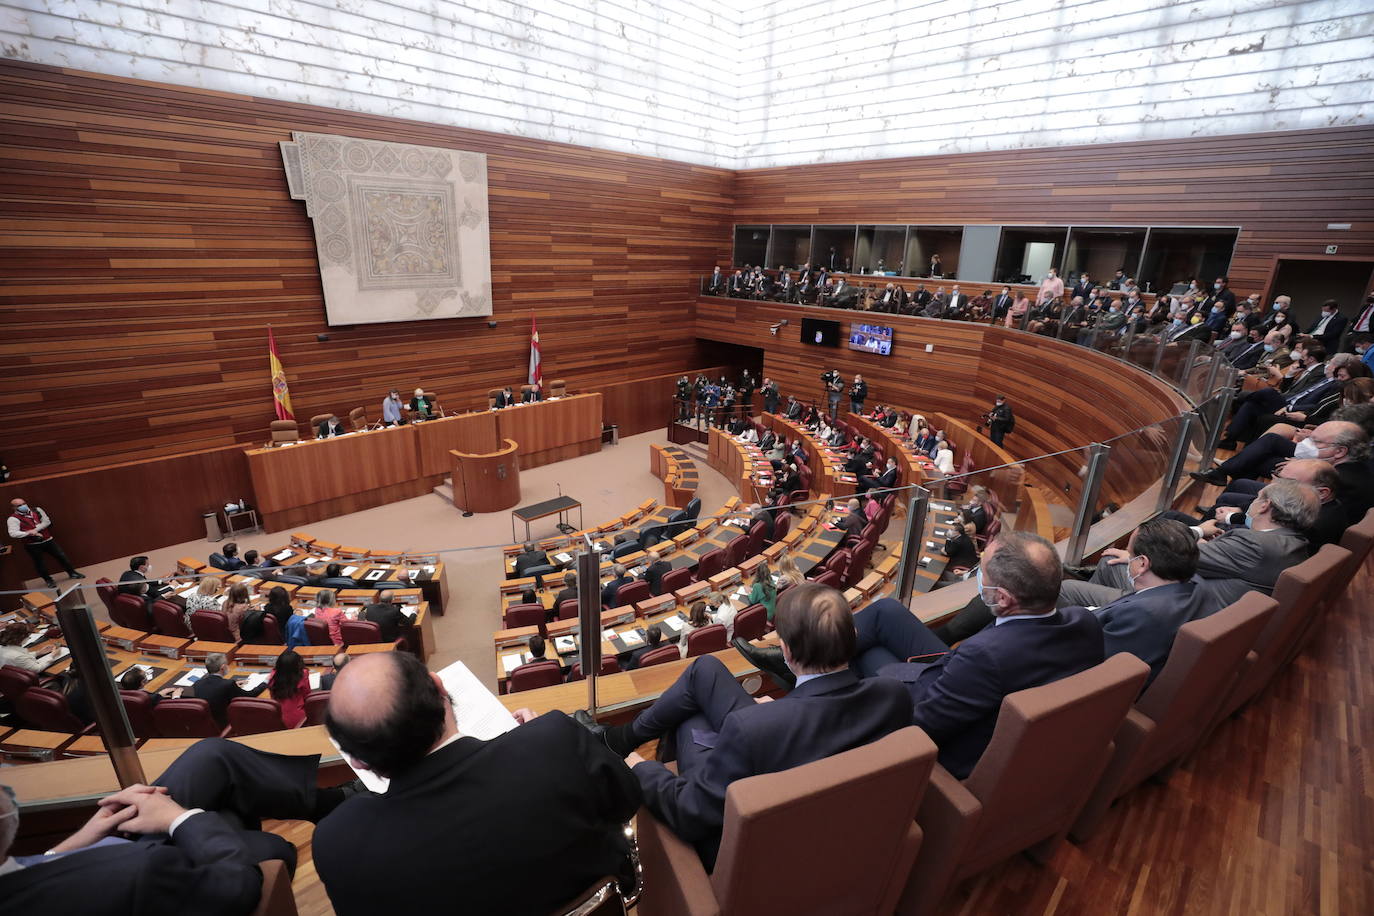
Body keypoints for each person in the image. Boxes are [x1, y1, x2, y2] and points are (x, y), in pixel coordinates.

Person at [579, 583, 912, 868]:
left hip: (747, 845)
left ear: (786, 652)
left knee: (690, 719)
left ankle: (619, 747)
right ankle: (619, 737)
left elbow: (689, 814)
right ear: (853, 637)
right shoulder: (893, 694)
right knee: (705, 669)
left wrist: (641, 767)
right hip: (799, 752)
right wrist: (780, 711)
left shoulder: (751, 727)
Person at [317, 652, 641, 914]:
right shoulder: (555, 737)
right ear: (439, 686)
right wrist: (538, 740)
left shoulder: (337, 845)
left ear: (358, 760)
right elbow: (627, 797)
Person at [0, 737, 345, 915]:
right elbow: (238, 884)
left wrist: (75, 843)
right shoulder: (139, 874)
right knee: (264, 843)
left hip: (96, 857)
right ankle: (337, 805)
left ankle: (328, 803)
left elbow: (24, 875)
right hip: (144, 871)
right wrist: (179, 819)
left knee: (212, 757)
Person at [7, 497, 83, 589]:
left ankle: (72, 573)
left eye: (24, 503)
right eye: (19, 505)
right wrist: (28, 533)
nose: (23, 506)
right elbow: (13, 533)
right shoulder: (12, 519)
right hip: (32, 545)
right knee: (40, 564)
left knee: (62, 556)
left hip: (48, 540)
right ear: (14, 508)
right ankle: (48, 580)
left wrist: (34, 530)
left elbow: (47, 522)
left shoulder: (37, 510)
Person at [190, 652, 254, 725]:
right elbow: (250, 695)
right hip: (225, 723)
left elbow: (214, 689)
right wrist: (265, 682)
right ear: (223, 668)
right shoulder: (228, 684)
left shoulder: (198, 683)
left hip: (205, 724)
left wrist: (234, 686)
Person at [268, 649, 310, 727]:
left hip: (278, 718)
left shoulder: (272, 677)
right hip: (299, 719)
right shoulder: (303, 676)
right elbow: (307, 697)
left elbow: (272, 697)